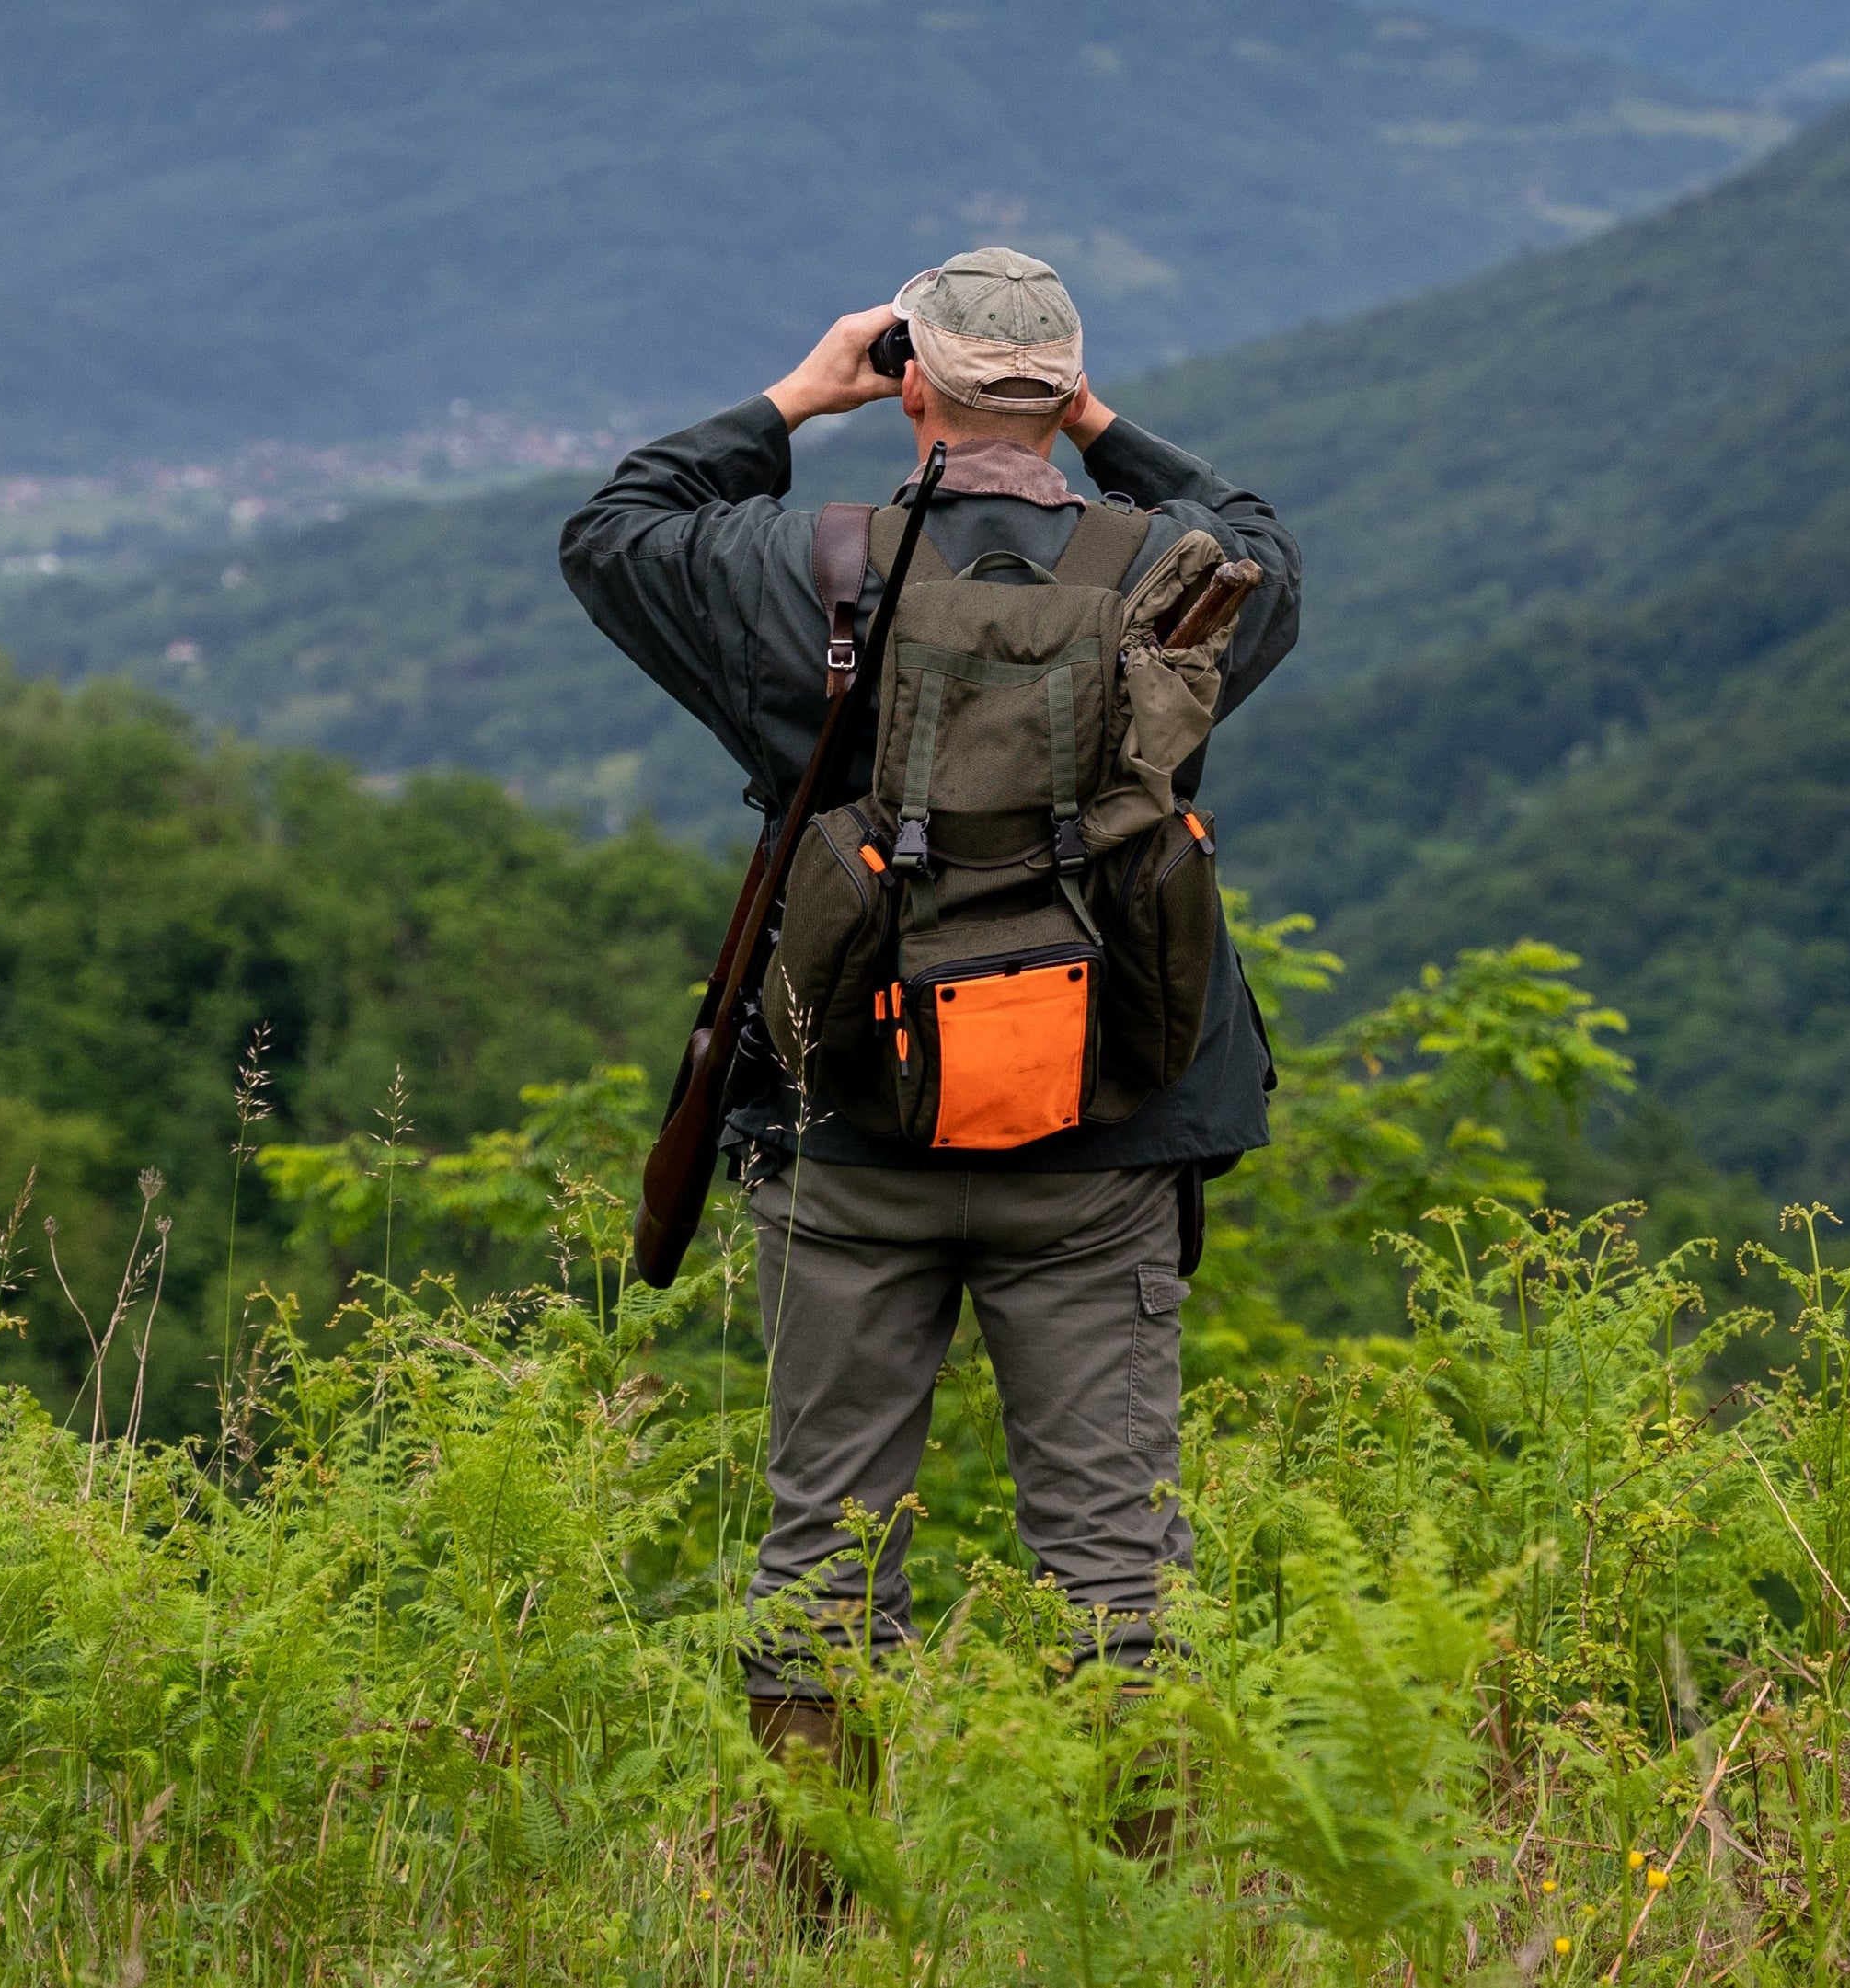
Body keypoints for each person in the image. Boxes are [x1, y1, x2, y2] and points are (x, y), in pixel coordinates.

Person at [557, 248, 1301, 1757]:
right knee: (1111, 1568)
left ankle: (821, 1911)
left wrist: (799, 392)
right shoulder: (1180, 579)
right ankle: (1130, 1917)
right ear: (1060, 389)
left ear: (912, 381)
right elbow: (1268, 545)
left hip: (850, 1128)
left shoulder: (800, 572)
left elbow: (616, 527)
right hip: (1101, 1131)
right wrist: (1099, 424)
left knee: (824, 1556)